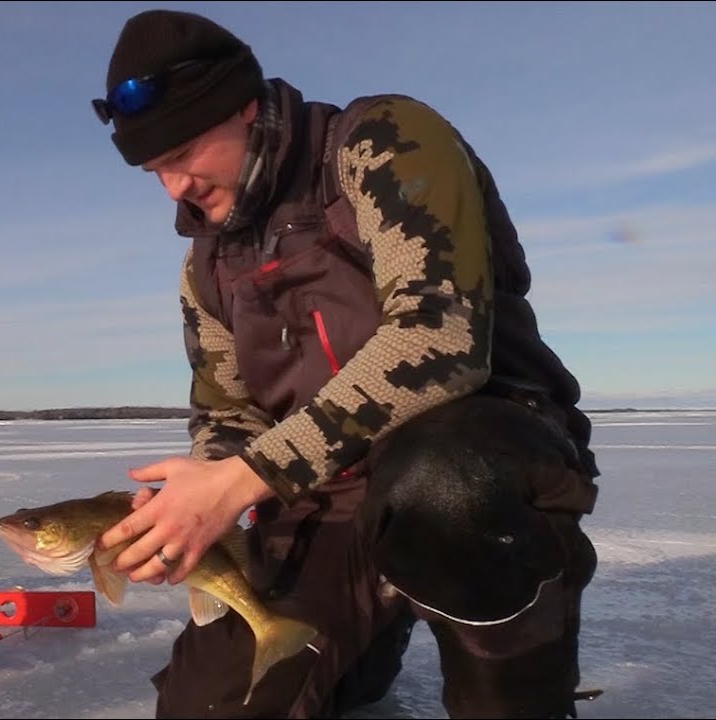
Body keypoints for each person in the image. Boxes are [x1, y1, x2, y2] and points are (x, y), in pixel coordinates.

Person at [91, 9, 602, 719]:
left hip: (479, 454)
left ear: (244, 108)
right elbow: (227, 410)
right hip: (324, 496)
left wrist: (244, 478)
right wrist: (201, 498)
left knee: (444, 482)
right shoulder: (204, 268)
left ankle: (517, 696)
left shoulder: (382, 142)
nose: (173, 188)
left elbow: (439, 337)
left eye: (181, 154)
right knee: (209, 707)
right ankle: (363, 636)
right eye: (154, 170)